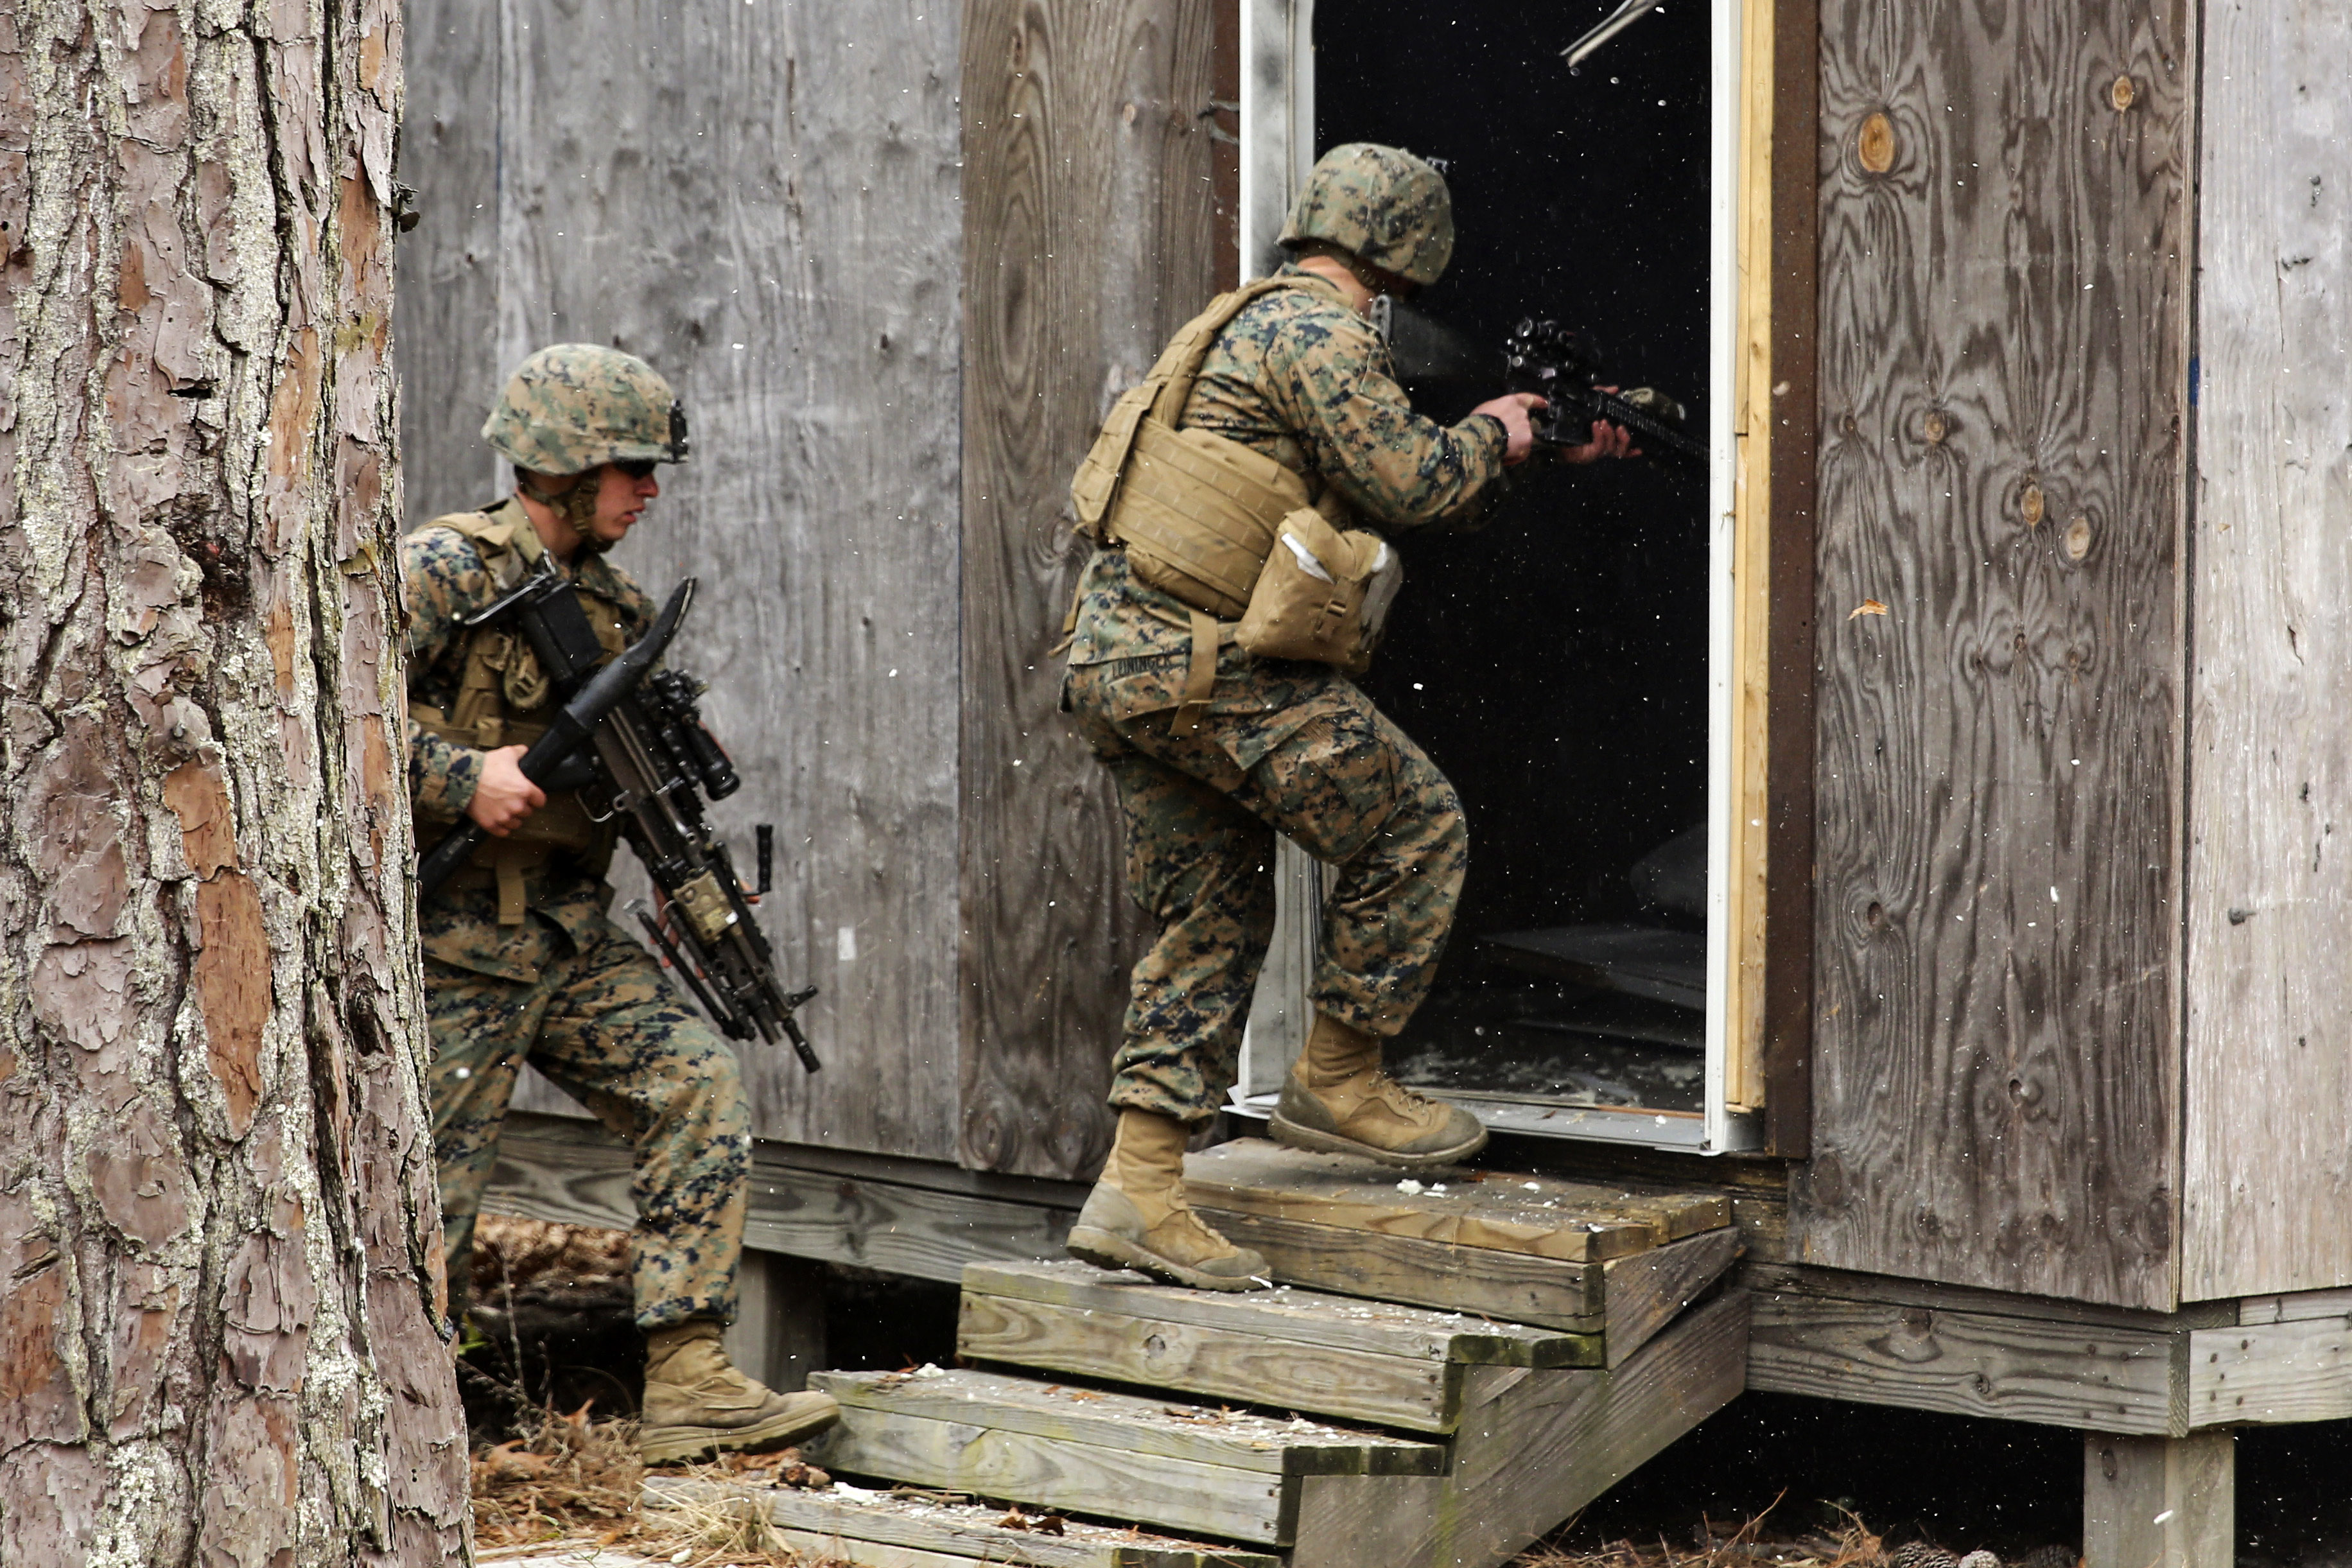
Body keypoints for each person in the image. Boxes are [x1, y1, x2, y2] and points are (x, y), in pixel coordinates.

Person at [1058, 144, 1634, 1291]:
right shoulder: (1320, 334)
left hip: (1127, 666)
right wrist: (1505, 435)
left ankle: (1140, 1189)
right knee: (1415, 825)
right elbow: (1419, 484)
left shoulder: (1239, 320)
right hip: (1206, 668)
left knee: (1210, 921)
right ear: (1405, 259)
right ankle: (1340, 1072)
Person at [404, 344, 838, 1461]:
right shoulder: (440, 573)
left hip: (565, 934)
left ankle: (689, 1377)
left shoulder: (616, 607)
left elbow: (632, 790)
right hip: (449, 944)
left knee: (698, 1085)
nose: (650, 491)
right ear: (562, 468)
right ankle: (408, 1435)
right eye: (634, 469)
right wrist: (463, 778)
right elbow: (305, 715)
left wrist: (694, 875)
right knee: (426, 1206)